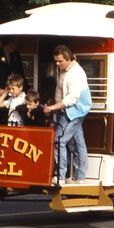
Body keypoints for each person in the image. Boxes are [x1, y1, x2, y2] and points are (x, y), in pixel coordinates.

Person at [43, 45, 91, 184]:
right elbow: (61, 92)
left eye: (60, 61)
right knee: (79, 143)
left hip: (74, 111)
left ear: (68, 59)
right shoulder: (66, 70)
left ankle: (60, 176)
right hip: (68, 111)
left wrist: (53, 107)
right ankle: (79, 177)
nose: (57, 64)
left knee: (59, 140)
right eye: (56, 61)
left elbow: (72, 98)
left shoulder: (75, 73)